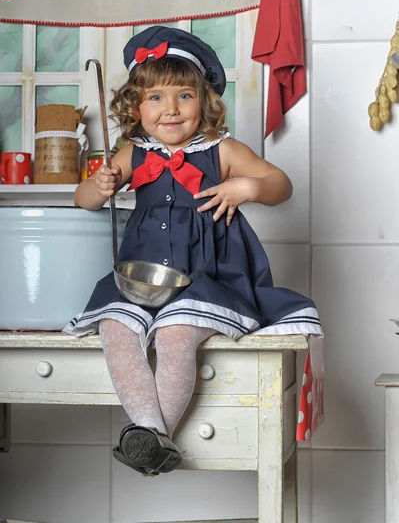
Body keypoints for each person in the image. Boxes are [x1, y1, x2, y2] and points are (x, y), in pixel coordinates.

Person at [64, 25, 321, 476]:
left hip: (209, 275)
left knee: (175, 335)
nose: (170, 109)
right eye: (156, 98)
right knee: (115, 330)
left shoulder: (221, 150)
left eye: (184, 95)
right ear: (136, 107)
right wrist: (98, 185)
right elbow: (83, 201)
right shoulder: (131, 153)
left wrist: (247, 187)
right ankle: (151, 434)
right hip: (142, 277)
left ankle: (146, 438)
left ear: (204, 101)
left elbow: (282, 185)